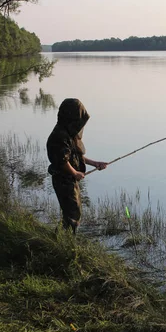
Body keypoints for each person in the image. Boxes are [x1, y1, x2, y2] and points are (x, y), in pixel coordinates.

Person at [47, 98, 107, 234]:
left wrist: (95, 163)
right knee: (72, 214)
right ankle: (64, 242)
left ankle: (60, 239)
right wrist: (75, 173)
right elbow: (62, 160)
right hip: (63, 180)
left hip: (69, 179)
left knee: (73, 212)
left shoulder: (68, 133)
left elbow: (75, 157)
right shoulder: (60, 136)